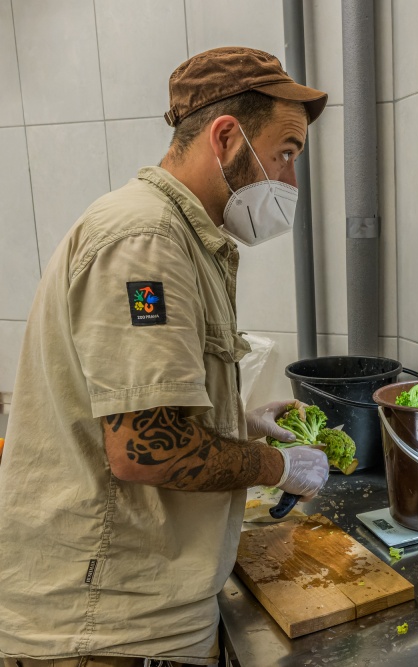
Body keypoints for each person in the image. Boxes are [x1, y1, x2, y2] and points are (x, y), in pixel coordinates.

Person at [0, 47, 332, 667]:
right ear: (227, 137)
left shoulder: (180, 237)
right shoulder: (145, 242)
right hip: (106, 629)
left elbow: (153, 416)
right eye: (286, 154)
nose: (290, 182)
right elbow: (143, 448)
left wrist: (240, 425)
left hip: (134, 615)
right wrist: (274, 465)